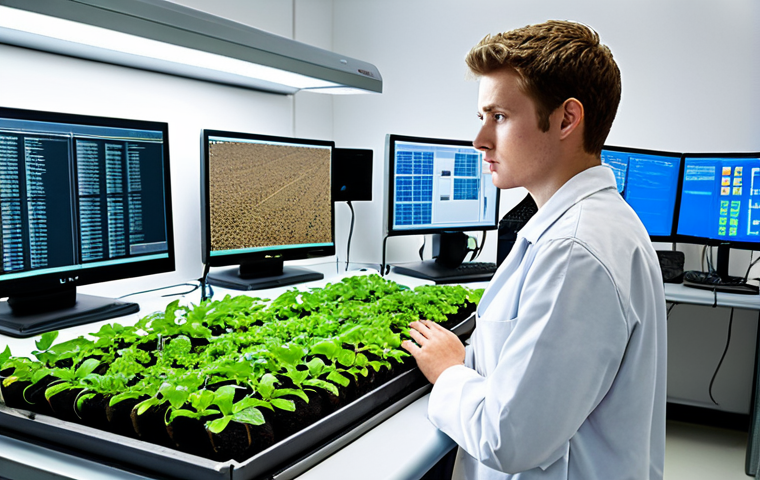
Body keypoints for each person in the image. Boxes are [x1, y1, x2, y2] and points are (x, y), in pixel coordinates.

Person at [401, 20, 667, 480]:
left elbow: (508, 437)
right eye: (481, 118)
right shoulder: (587, 225)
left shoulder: (575, 252)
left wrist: (449, 372)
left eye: (499, 117)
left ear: (566, 119)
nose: (479, 140)